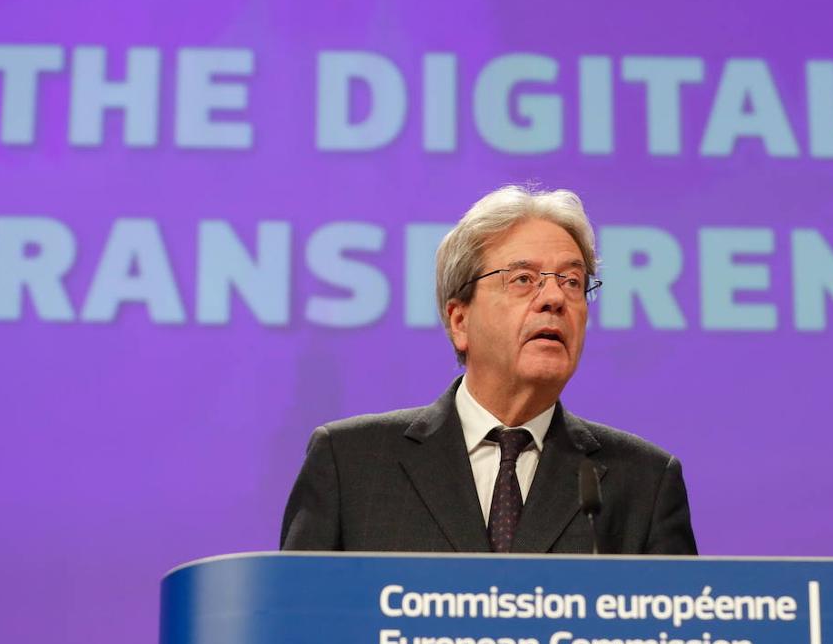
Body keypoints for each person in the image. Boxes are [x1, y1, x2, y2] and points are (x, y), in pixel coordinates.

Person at [280, 185, 697, 554]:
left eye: (572, 281)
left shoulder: (644, 483)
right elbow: (295, 614)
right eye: (523, 279)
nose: (554, 298)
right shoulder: (350, 464)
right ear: (460, 320)